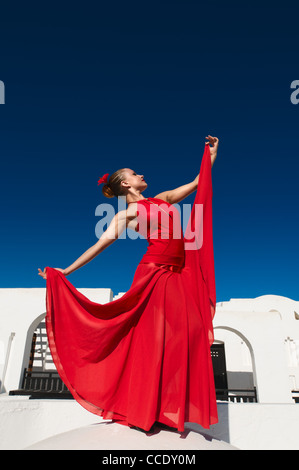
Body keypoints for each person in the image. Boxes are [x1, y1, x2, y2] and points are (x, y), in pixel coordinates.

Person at [38, 135, 219, 433]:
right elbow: (99, 245)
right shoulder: (127, 213)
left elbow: (199, 181)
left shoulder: (163, 198)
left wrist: (210, 155)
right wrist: (66, 271)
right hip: (154, 274)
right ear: (125, 184)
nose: (142, 175)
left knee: (189, 334)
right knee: (153, 339)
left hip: (177, 275)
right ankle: (146, 408)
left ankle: (166, 405)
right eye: (135, 174)